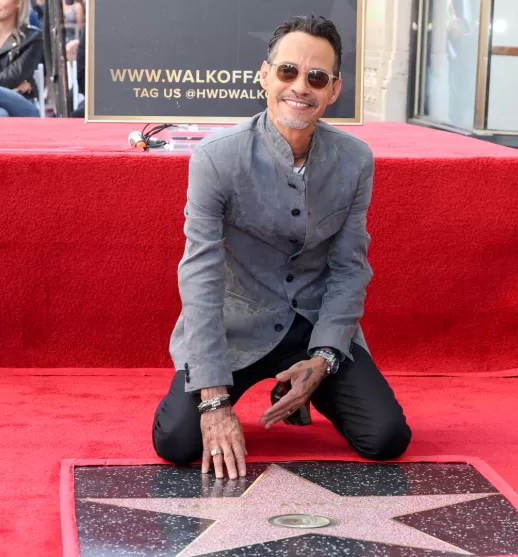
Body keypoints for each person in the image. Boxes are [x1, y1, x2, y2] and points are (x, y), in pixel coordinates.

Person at [152, 15, 412, 481]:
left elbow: (350, 268)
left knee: (387, 437)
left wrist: (325, 357)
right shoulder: (217, 157)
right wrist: (213, 400)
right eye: (288, 72)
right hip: (235, 329)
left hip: (312, 326)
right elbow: (200, 276)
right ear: (265, 75)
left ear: (334, 90)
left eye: (316, 78)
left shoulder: (355, 161)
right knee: (177, 442)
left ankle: (296, 385)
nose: (300, 87)